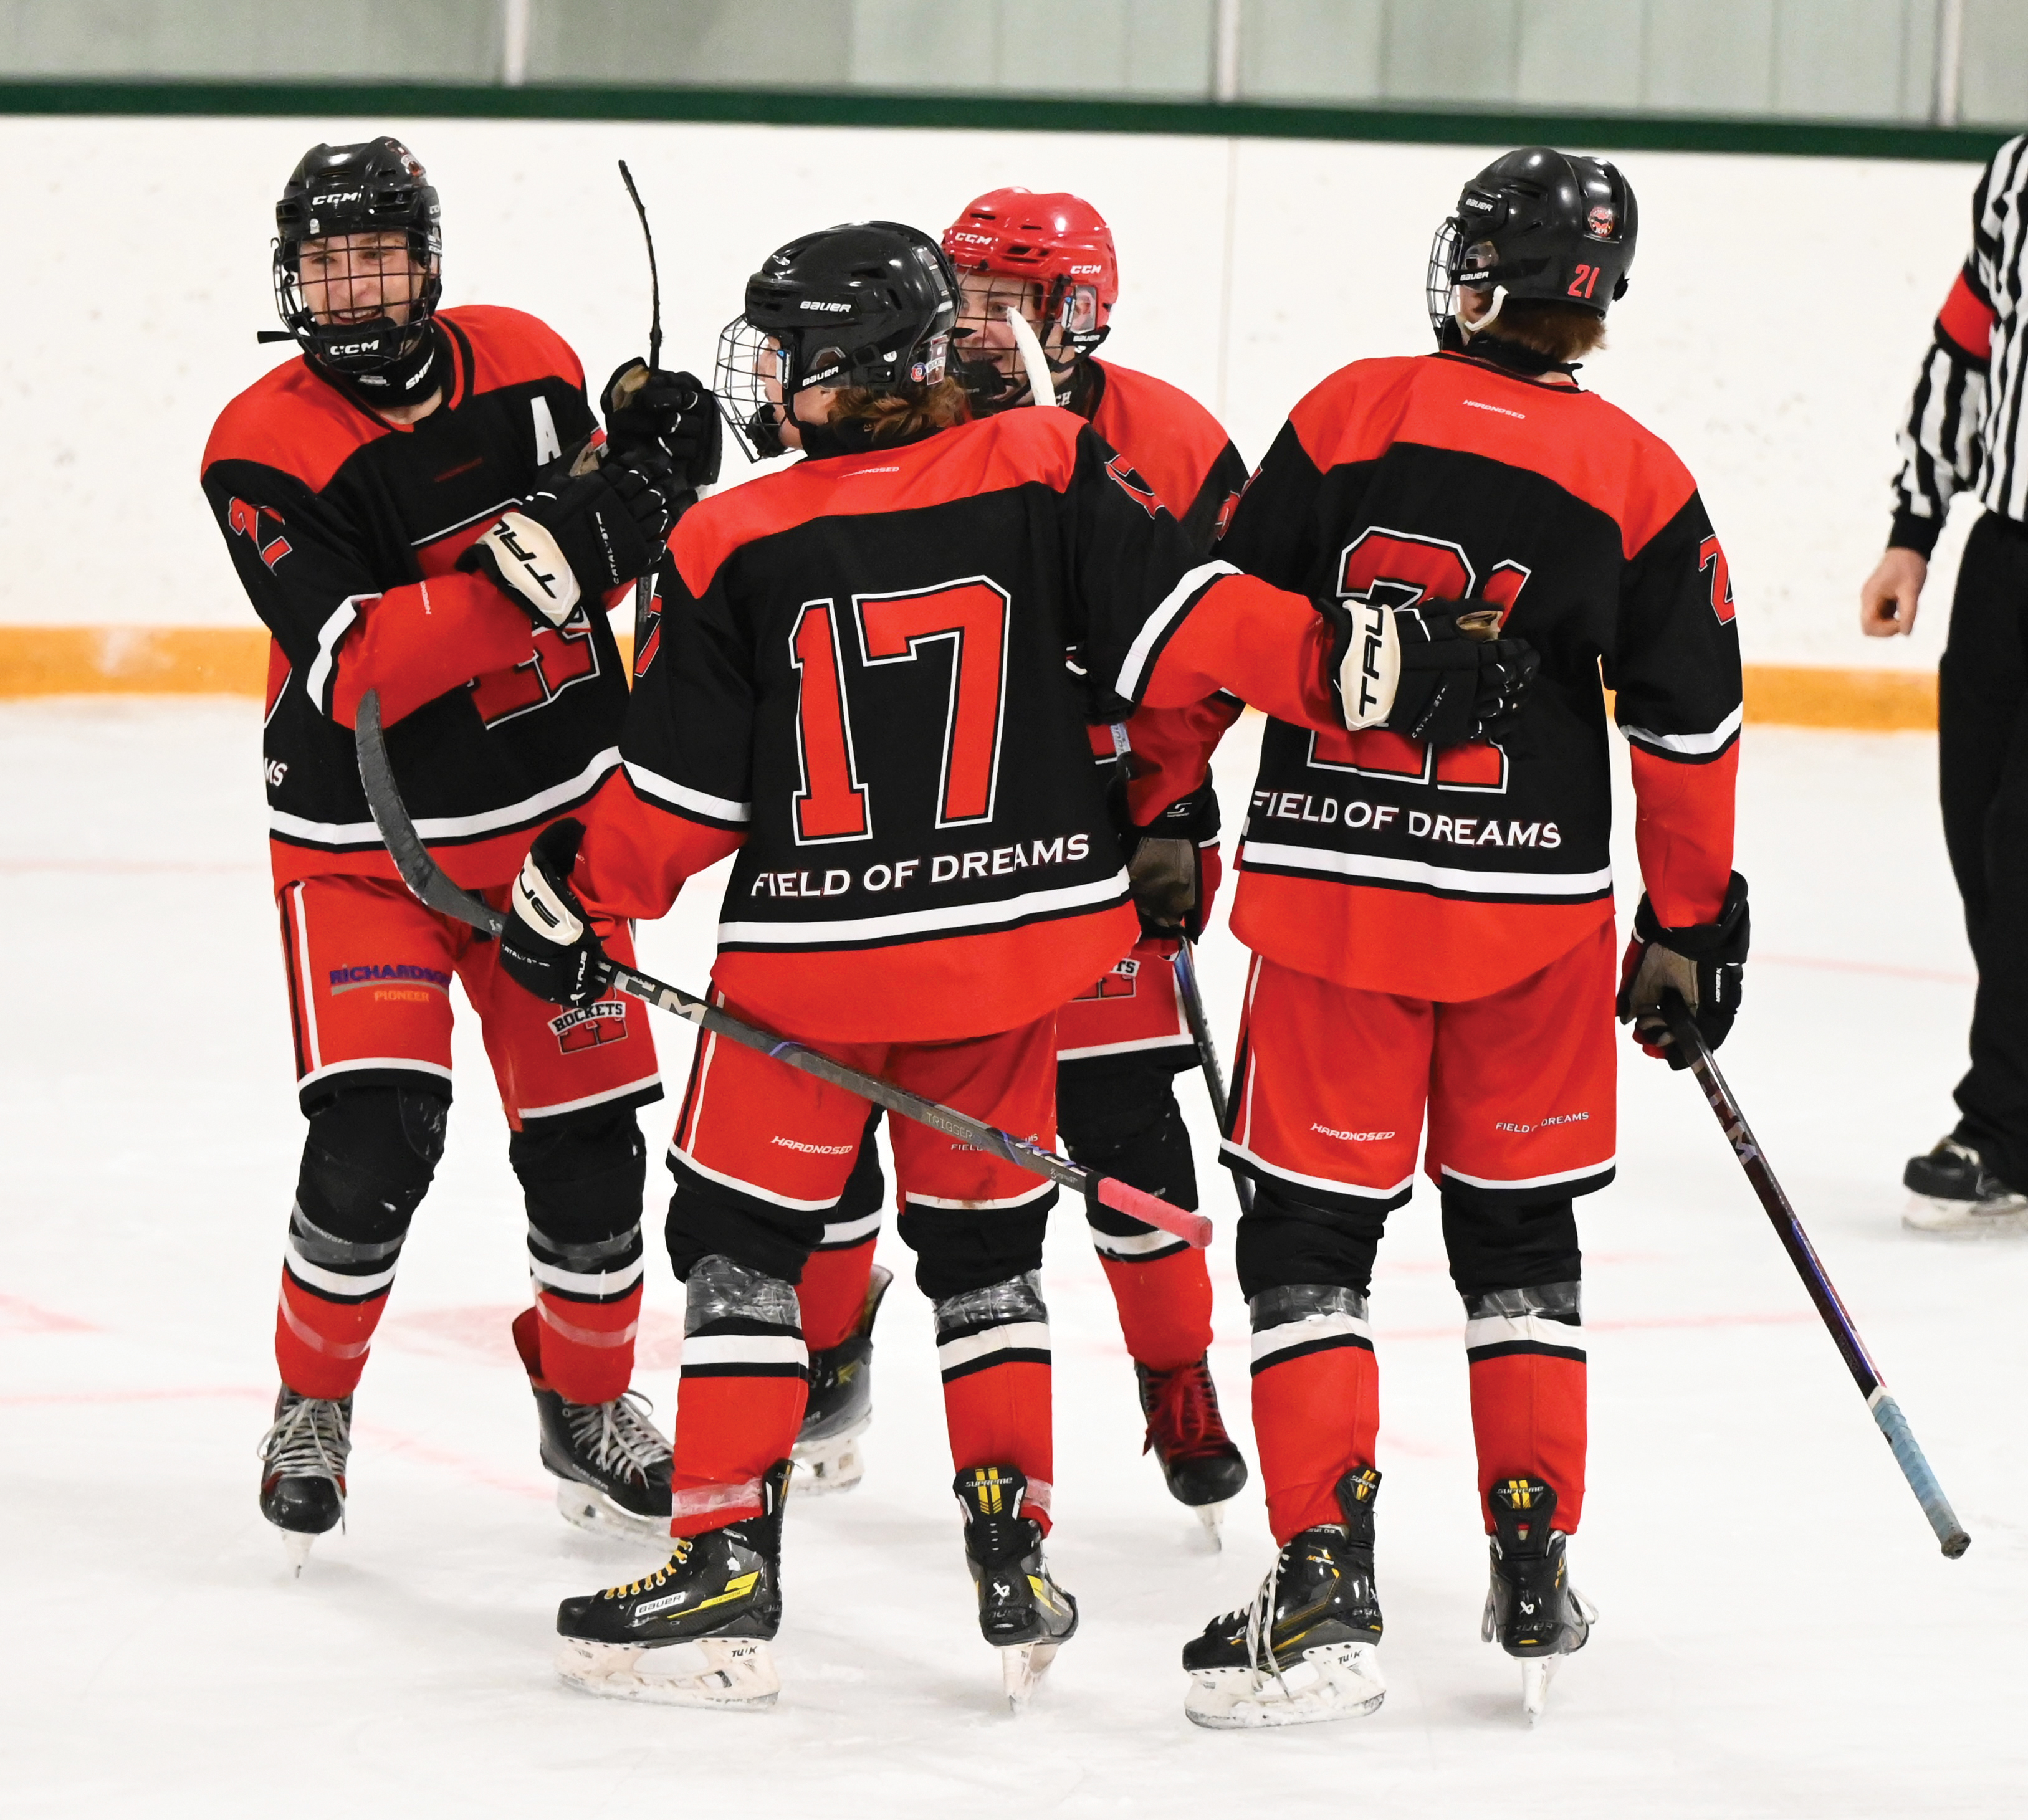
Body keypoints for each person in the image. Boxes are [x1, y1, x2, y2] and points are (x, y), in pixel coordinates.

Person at [493, 219, 1539, 1709]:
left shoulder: (732, 536)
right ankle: (1014, 1555)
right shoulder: (1047, 467)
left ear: (844, 372)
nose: (769, 381)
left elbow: (675, 805)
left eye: (788, 355)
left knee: (742, 1255)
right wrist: (1361, 670)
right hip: (1018, 954)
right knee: (985, 1264)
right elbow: (1200, 629)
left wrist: (563, 900)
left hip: (814, 975)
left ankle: (724, 1571)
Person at [1169, 148, 1747, 1727]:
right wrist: (1689, 923)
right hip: (1533, 928)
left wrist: (1165, 804)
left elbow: (1216, 625)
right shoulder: (1639, 472)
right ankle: (1533, 1556)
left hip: (1338, 905)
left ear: (1486, 272)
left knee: (1308, 1243)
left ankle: (1323, 1573)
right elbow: (1691, 731)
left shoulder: (1350, 411)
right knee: (1517, 1243)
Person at [201, 136, 717, 1566]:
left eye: (378, 256)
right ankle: (312, 1406)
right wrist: (563, 556)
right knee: (373, 1138)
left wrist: (656, 463)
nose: (353, 290)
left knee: (593, 1153)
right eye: (325, 261)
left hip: (558, 834)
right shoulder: (259, 444)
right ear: (288, 276)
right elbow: (358, 667)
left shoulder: (531, 359)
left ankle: (589, 1401)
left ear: (429, 261)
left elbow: (624, 498)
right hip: (366, 846)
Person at [787, 187, 1256, 1530]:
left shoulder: (1171, 440)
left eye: (1016, 300)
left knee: (1124, 1121)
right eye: (970, 296)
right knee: (856, 1118)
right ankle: (828, 1347)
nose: (986, 328)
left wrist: (1168, 806)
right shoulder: (902, 421)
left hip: (1107, 833)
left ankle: (1178, 1376)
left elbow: (1216, 645)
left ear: (1083, 310)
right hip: (925, 835)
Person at [1861, 133, 2028, 1237]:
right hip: (2006, 549)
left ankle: (2003, 1123)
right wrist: (1913, 529)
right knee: (1975, 828)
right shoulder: (2017, 173)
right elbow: (1966, 348)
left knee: (2022, 844)